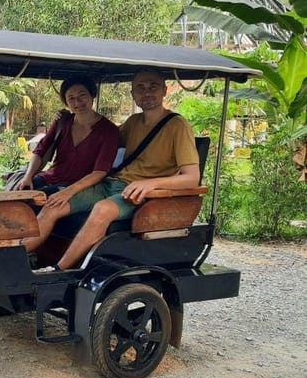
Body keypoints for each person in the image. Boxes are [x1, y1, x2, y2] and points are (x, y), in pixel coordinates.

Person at [25, 70, 200, 271]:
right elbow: (103, 136)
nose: (147, 92)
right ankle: (18, 259)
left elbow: (192, 178)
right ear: (133, 94)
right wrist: (67, 118)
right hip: (111, 184)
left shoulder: (178, 126)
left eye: (153, 86)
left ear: (164, 90)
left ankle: (59, 270)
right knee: (54, 203)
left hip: (142, 195)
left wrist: (150, 183)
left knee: (102, 209)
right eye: (140, 88)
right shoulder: (134, 122)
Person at [16, 78, 119, 206]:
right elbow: (40, 151)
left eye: (82, 95)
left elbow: (100, 171)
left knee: (34, 203)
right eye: (71, 98)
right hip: (50, 177)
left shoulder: (109, 130)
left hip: (77, 186)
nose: (77, 102)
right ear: (66, 102)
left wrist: (68, 192)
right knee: (16, 196)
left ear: (92, 96)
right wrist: (28, 177)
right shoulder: (62, 122)